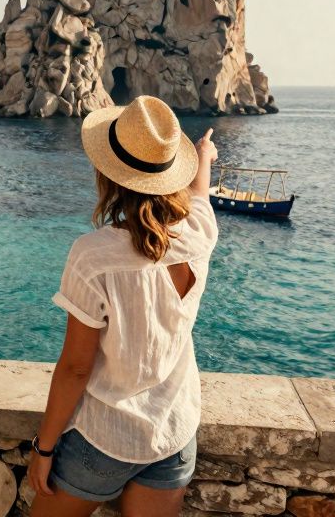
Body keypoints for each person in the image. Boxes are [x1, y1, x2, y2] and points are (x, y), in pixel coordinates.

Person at [27, 96, 218, 517]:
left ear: (107, 174)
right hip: (173, 433)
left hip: (104, 438)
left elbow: (76, 367)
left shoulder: (93, 256)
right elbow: (199, 194)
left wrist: (44, 448)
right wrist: (204, 155)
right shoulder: (201, 232)